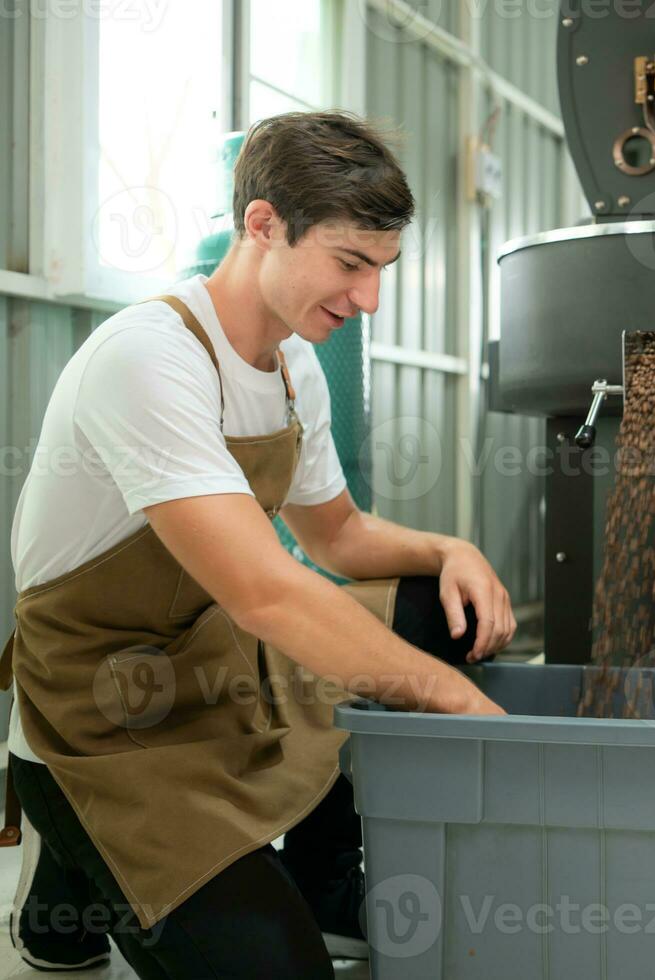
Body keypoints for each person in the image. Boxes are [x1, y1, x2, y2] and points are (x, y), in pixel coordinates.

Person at [3, 111, 517, 978]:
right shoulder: (150, 358)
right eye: (351, 264)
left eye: (382, 269)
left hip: (215, 657)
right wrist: (457, 702)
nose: (369, 301)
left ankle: (320, 885)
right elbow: (268, 592)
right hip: (104, 708)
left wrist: (447, 551)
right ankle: (63, 872)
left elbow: (340, 537)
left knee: (438, 609)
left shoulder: (292, 365)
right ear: (263, 224)